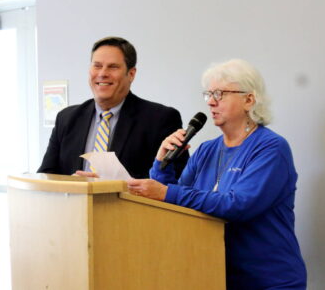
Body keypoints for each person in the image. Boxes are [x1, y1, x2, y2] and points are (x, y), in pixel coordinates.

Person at [127, 59, 307, 289]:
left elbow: (237, 206)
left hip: (268, 281)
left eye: (220, 94)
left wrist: (166, 192)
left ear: (249, 99)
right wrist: (162, 163)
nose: (211, 102)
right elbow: (176, 209)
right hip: (213, 274)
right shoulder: (206, 150)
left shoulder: (271, 148)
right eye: (208, 94)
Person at [38, 36, 187, 178]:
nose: (103, 74)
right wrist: (72, 184)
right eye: (97, 66)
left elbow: (176, 180)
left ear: (131, 74)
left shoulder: (161, 119)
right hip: (74, 204)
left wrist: (115, 186)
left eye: (113, 67)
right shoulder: (66, 118)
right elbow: (46, 175)